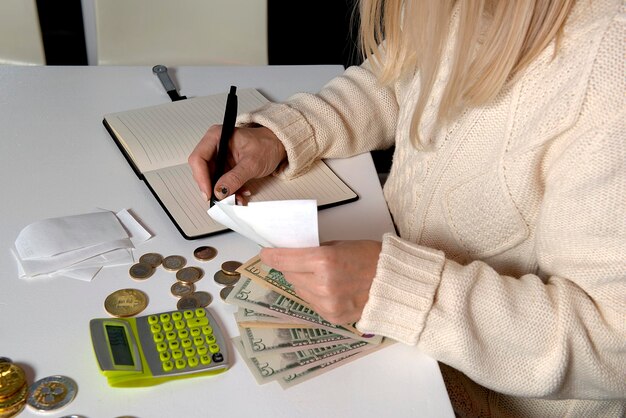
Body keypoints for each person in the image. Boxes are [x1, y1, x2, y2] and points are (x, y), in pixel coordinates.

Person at [189, 0, 625, 416]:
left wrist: (402, 290)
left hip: (486, 401)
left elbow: (613, 349)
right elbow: (400, 75)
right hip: (404, 343)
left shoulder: (612, 68)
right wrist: (289, 132)